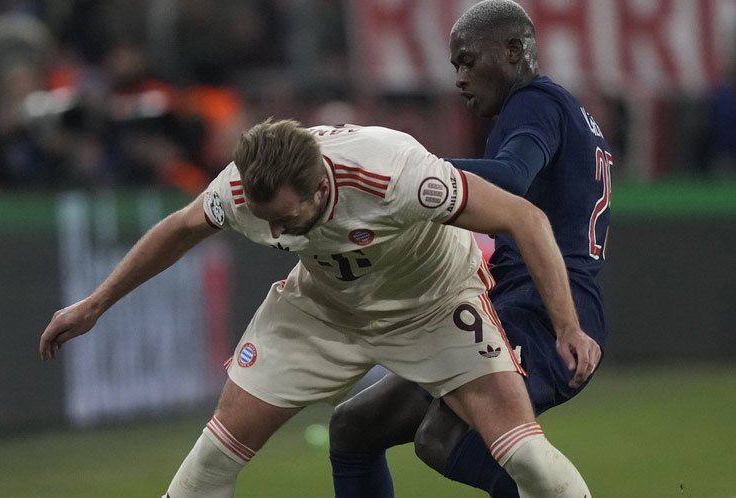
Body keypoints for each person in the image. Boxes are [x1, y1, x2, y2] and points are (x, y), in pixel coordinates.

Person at [40, 117, 599, 498]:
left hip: (433, 305)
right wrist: (95, 304)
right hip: (323, 309)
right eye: (267, 220)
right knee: (210, 461)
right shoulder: (243, 190)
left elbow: (526, 218)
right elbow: (179, 229)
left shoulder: (398, 176)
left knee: (527, 461)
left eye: (287, 219)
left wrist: (567, 325)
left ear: (319, 188)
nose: (275, 232)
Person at [327, 1, 611, 497]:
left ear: (513, 50)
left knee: (443, 437)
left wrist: (401, 171)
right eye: (454, 64)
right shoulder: (564, 110)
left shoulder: (535, 102)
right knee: (355, 426)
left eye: (468, 60)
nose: (458, 76)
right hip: (507, 309)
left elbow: (511, 179)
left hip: (544, 315)